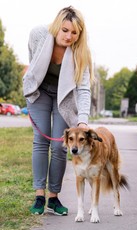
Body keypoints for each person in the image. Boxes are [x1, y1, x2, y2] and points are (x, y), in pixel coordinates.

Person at [23, 6, 94, 215]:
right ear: (57, 27)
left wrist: (82, 120)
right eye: (65, 30)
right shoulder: (38, 34)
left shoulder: (81, 52)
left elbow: (83, 88)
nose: (69, 36)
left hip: (65, 97)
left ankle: (53, 197)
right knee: (40, 139)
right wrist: (30, 86)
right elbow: (33, 61)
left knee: (60, 146)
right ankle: (39, 196)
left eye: (74, 32)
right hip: (40, 92)